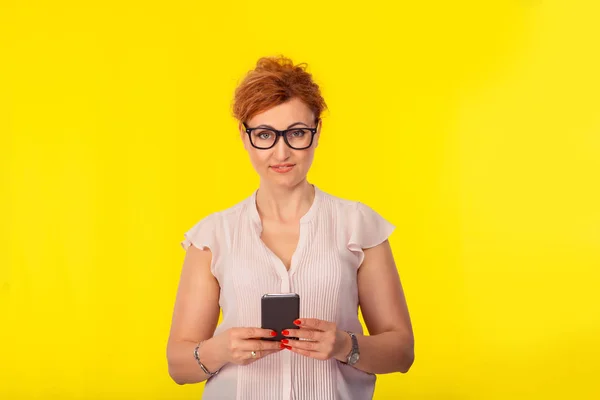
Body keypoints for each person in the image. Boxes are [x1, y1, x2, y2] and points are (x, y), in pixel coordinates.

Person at [166, 55, 414, 400]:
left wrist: (345, 345)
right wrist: (222, 349)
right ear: (244, 135)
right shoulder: (212, 236)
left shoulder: (358, 225)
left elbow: (402, 351)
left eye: (297, 133)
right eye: (265, 134)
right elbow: (178, 366)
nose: (281, 153)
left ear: (317, 132)